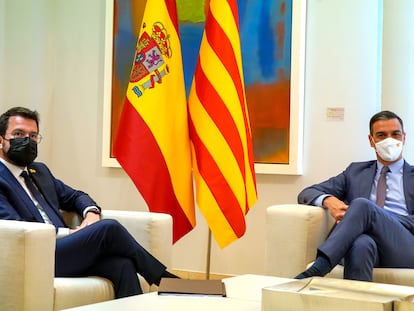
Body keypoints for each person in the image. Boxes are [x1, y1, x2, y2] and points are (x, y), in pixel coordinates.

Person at [0, 106, 178, 298]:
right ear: (1, 140)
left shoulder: (39, 171)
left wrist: (91, 213)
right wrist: (71, 232)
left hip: (63, 249)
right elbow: (14, 227)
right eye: (19, 134)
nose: (27, 141)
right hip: (33, 255)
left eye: (33, 136)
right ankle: (169, 282)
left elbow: (76, 196)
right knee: (109, 228)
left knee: (122, 265)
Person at [295, 110, 414, 282]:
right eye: (381, 135)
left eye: (395, 134)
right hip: (369, 245)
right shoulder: (355, 172)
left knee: (363, 206)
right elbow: (307, 192)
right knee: (360, 245)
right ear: (371, 141)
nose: (389, 140)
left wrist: (374, 217)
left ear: (404, 138)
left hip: (405, 246)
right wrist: (329, 200)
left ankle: (319, 267)